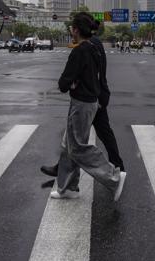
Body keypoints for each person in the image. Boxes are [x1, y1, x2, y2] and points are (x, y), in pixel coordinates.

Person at [50, 12, 126, 201]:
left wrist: (72, 82)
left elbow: (62, 84)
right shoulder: (96, 46)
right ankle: (67, 188)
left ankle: (113, 177)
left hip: (81, 104)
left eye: (71, 28)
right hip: (92, 100)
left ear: (76, 30)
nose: (70, 31)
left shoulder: (79, 51)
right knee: (69, 146)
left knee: (77, 148)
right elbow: (96, 75)